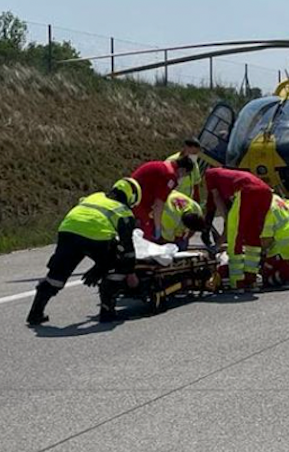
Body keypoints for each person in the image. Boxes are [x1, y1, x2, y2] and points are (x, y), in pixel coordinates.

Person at [26, 178, 141, 326]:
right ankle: (107, 312)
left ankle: (35, 314)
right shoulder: (124, 212)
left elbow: (84, 216)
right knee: (118, 264)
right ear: (132, 197)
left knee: (56, 276)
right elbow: (127, 249)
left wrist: (99, 267)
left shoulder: (95, 196)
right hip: (96, 237)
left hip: (67, 231)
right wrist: (129, 273)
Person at [203, 167, 274, 289]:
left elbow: (216, 198)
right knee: (253, 235)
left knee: (235, 236)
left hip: (247, 191)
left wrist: (228, 220)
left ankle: (237, 282)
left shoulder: (209, 175)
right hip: (266, 192)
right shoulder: (229, 174)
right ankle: (250, 277)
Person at [131, 154, 193, 242]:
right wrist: (158, 227)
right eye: (185, 175)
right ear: (182, 170)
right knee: (147, 236)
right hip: (139, 202)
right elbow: (158, 204)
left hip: (133, 196)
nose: (182, 178)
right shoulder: (170, 176)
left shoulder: (163, 166)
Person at [168, 138, 206, 203]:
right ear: (186, 148)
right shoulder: (172, 161)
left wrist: (197, 200)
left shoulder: (193, 162)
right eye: (193, 153)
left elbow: (196, 183)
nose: (195, 155)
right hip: (172, 199)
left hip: (185, 201)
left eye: (196, 153)